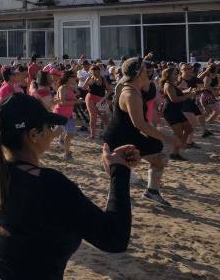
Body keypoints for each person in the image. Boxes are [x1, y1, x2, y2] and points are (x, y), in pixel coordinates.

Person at [0, 93, 137, 280]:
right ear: (34, 134)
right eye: (49, 128)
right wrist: (119, 172)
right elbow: (114, 238)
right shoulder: (52, 185)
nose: (52, 134)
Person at [106, 58, 180, 206]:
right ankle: (117, 198)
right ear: (139, 73)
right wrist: (167, 138)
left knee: (159, 159)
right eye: (145, 69)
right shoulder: (130, 94)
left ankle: (152, 191)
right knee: (122, 175)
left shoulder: (134, 86)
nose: (148, 71)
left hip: (131, 134)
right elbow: (140, 124)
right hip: (120, 137)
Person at [159, 67, 193, 161]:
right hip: (170, 111)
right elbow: (174, 99)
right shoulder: (168, 85)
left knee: (189, 128)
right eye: (174, 73)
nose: (177, 75)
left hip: (176, 110)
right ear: (168, 75)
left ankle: (181, 145)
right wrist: (187, 96)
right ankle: (175, 153)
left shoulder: (172, 84)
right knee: (178, 134)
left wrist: (187, 91)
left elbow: (178, 93)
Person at [53, 71, 79, 159]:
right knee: (70, 133)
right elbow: (62, 102)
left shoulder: (69, 87)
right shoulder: (63, 88)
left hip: (68, 113)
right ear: (68, 78)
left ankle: (62, 144)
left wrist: (77, 99)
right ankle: (67, 154)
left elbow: (70, 99)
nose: (76, 78)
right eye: (74, 77)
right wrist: (76, 101)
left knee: (55, 133)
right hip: (61, 114)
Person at [83, 65, 110, 139]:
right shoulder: (89, 78)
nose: (94, 71)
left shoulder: (103, 79)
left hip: (101, 99)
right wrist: (88, 83)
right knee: (93, 116)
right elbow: (84, 88)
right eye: (92, 70)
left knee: (105, 117)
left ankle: (108, 133)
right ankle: (92, 134)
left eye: (95, 69)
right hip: (90, 97)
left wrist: (104, 99)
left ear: (99, 70)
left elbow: (109, 90)